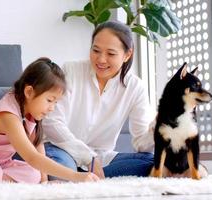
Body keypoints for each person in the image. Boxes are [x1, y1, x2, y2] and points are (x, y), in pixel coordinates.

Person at [42, 21, 155, 180]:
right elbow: (51, 122)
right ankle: (80, 176)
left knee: (152, 162)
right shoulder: (71, 71)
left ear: (127, 55)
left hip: (102, 158)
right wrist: (88, 158)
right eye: (96, 50)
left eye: (111, 54)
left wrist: (158, 125)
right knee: (64, 171)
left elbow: (141, 146)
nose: (101, 60)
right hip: (60, 149)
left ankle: (86, 177)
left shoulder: (135, 87)